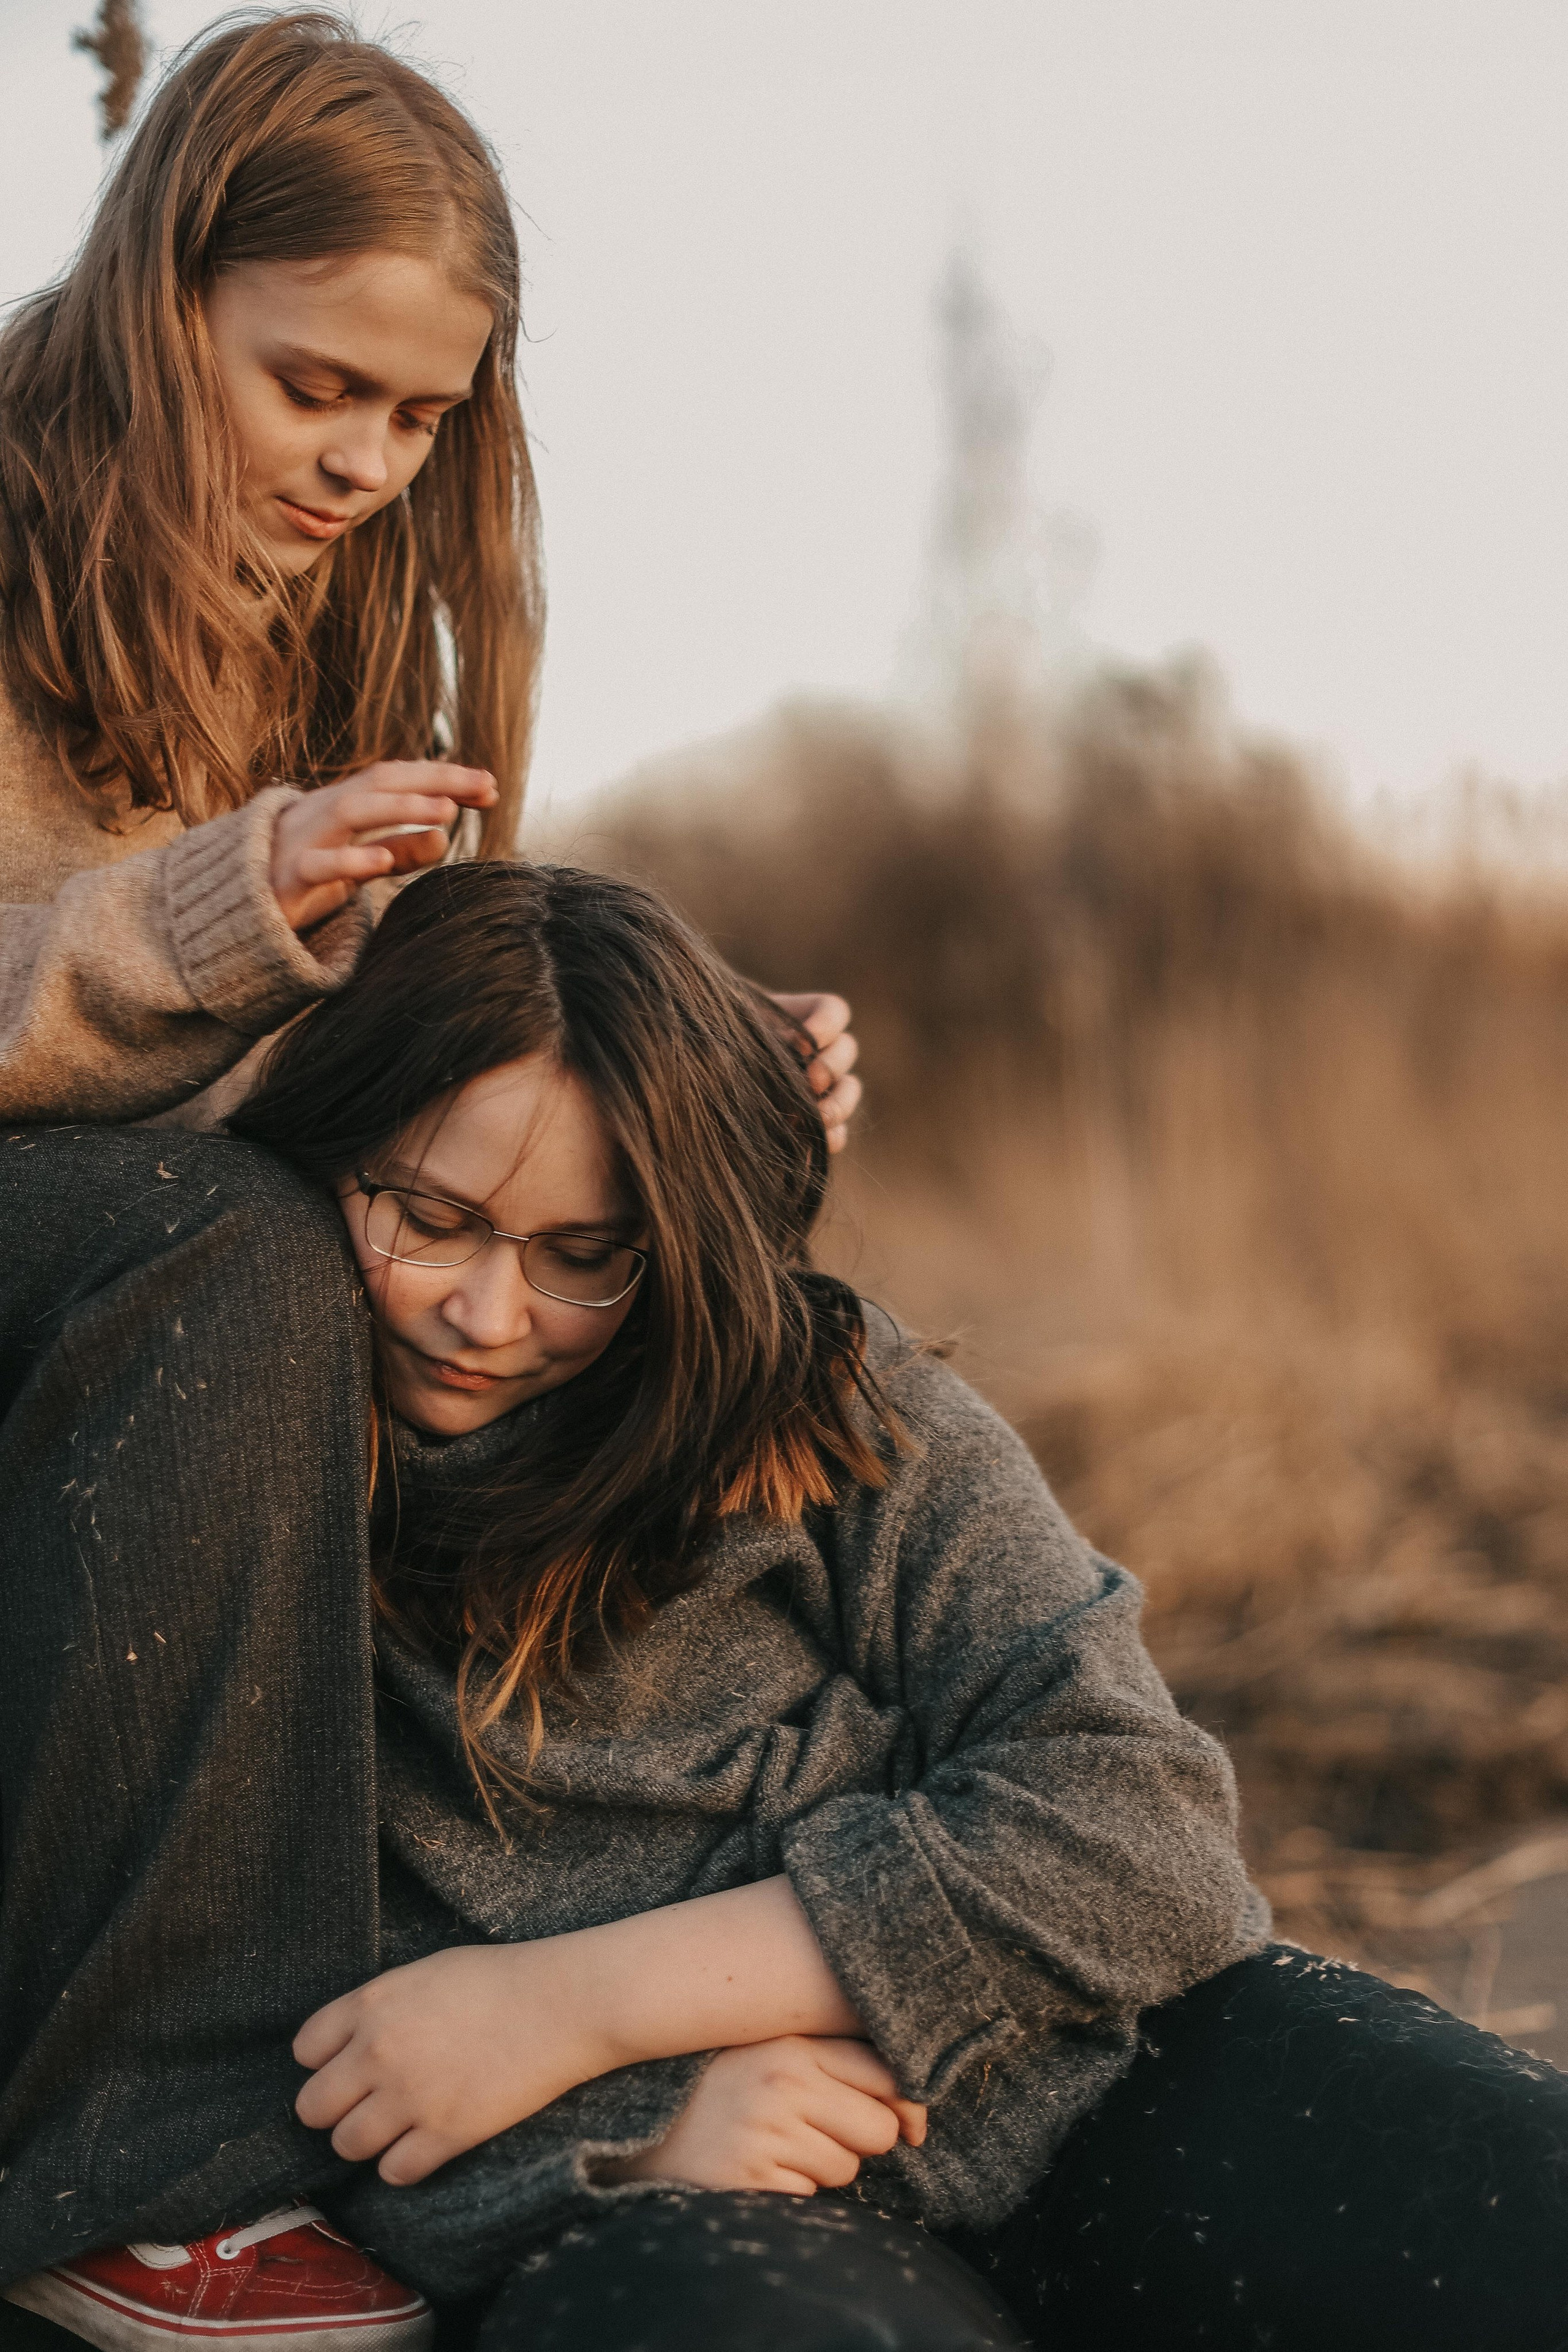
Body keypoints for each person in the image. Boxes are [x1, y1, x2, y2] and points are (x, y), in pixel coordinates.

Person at [2, 862, 1566, 2352]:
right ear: (325, 1148)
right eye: (423, 1216)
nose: (486, 1314)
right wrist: (627, 2162)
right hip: (716, 2206)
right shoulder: (217, 1499)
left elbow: (1141, 1823)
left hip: (1093, 2079)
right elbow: (296, 2107)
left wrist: (576, 2003)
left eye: (583, 1256)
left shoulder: (815, 1394)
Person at [0, 9, 859, 1140]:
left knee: (801, 1315)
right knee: (255, 1240)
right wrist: (221, 907)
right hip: (113, 1238)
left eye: (418, 418)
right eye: (312, 391)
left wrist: (663, 1038)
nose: (365, 466)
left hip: (197, 1254)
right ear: (160, 301)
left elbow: (345, 1071)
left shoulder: (351, 632)